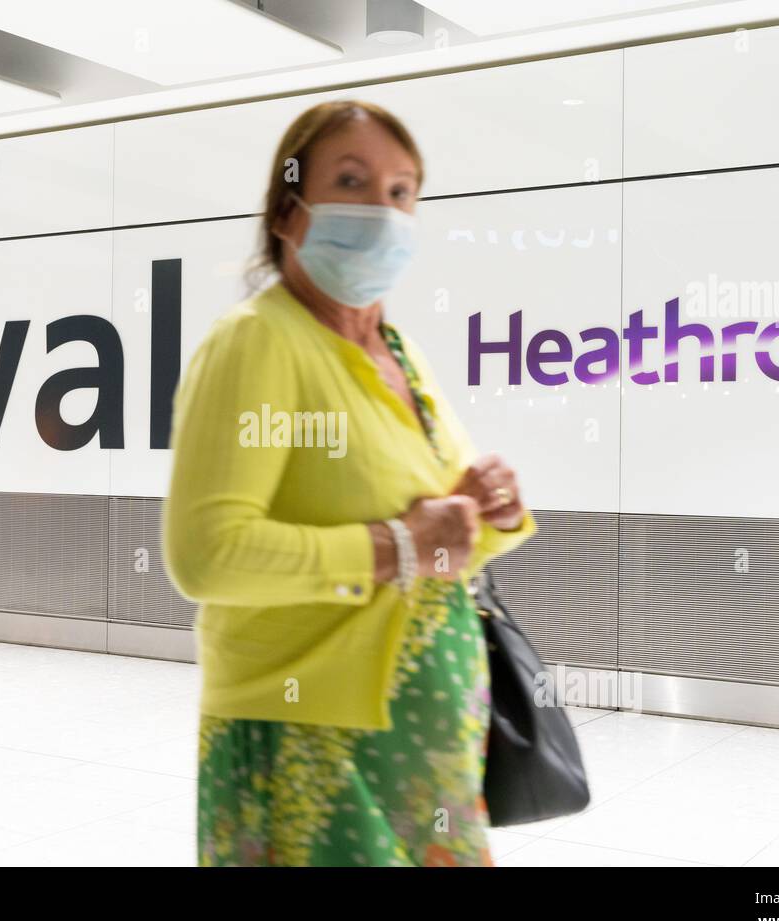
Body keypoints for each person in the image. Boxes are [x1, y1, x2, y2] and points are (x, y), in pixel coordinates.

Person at [162, 99, 538, 866]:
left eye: (401, 191)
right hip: (311, 744)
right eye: (352, 180)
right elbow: (208, 555)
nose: (383, 210)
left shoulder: (400, 353)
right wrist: (398, 545)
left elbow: (438, 547)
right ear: (289, 211)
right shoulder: (259, 342)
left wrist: (484, 510)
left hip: (429, 751)